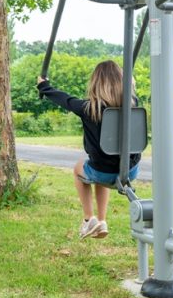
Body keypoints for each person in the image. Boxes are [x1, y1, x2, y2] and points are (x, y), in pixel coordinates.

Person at [37, 60, 141, 240]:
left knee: (80, 167)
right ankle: (102, 220)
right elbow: (130, 86)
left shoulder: (87, 108)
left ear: (95, 83)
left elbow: (63, 98)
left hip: (102, 172)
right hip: (129, 172)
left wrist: (44, 86)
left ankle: (88, 219)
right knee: (101, 168)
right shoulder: (133, 104)